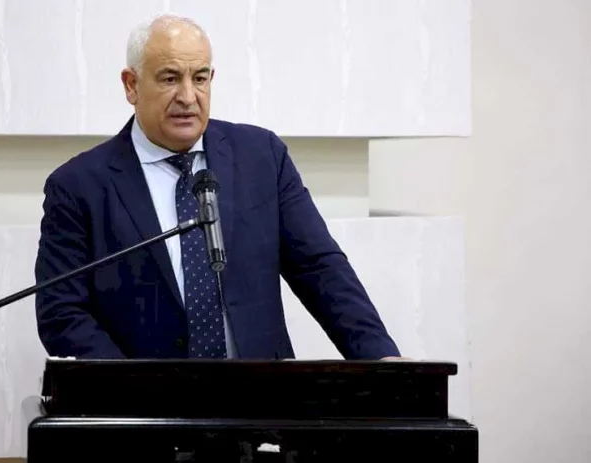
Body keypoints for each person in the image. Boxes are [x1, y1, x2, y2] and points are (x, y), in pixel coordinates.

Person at [34, 14, 403, 362]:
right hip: (145, 402)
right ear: (131, 85)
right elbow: (62, 313)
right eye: (169, 79)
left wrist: (382, 359)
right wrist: (137, 389)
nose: (187, 96)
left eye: (200, 78)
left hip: (262, 396)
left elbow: (320, 268)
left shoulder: (262, 157)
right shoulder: (79, 186)